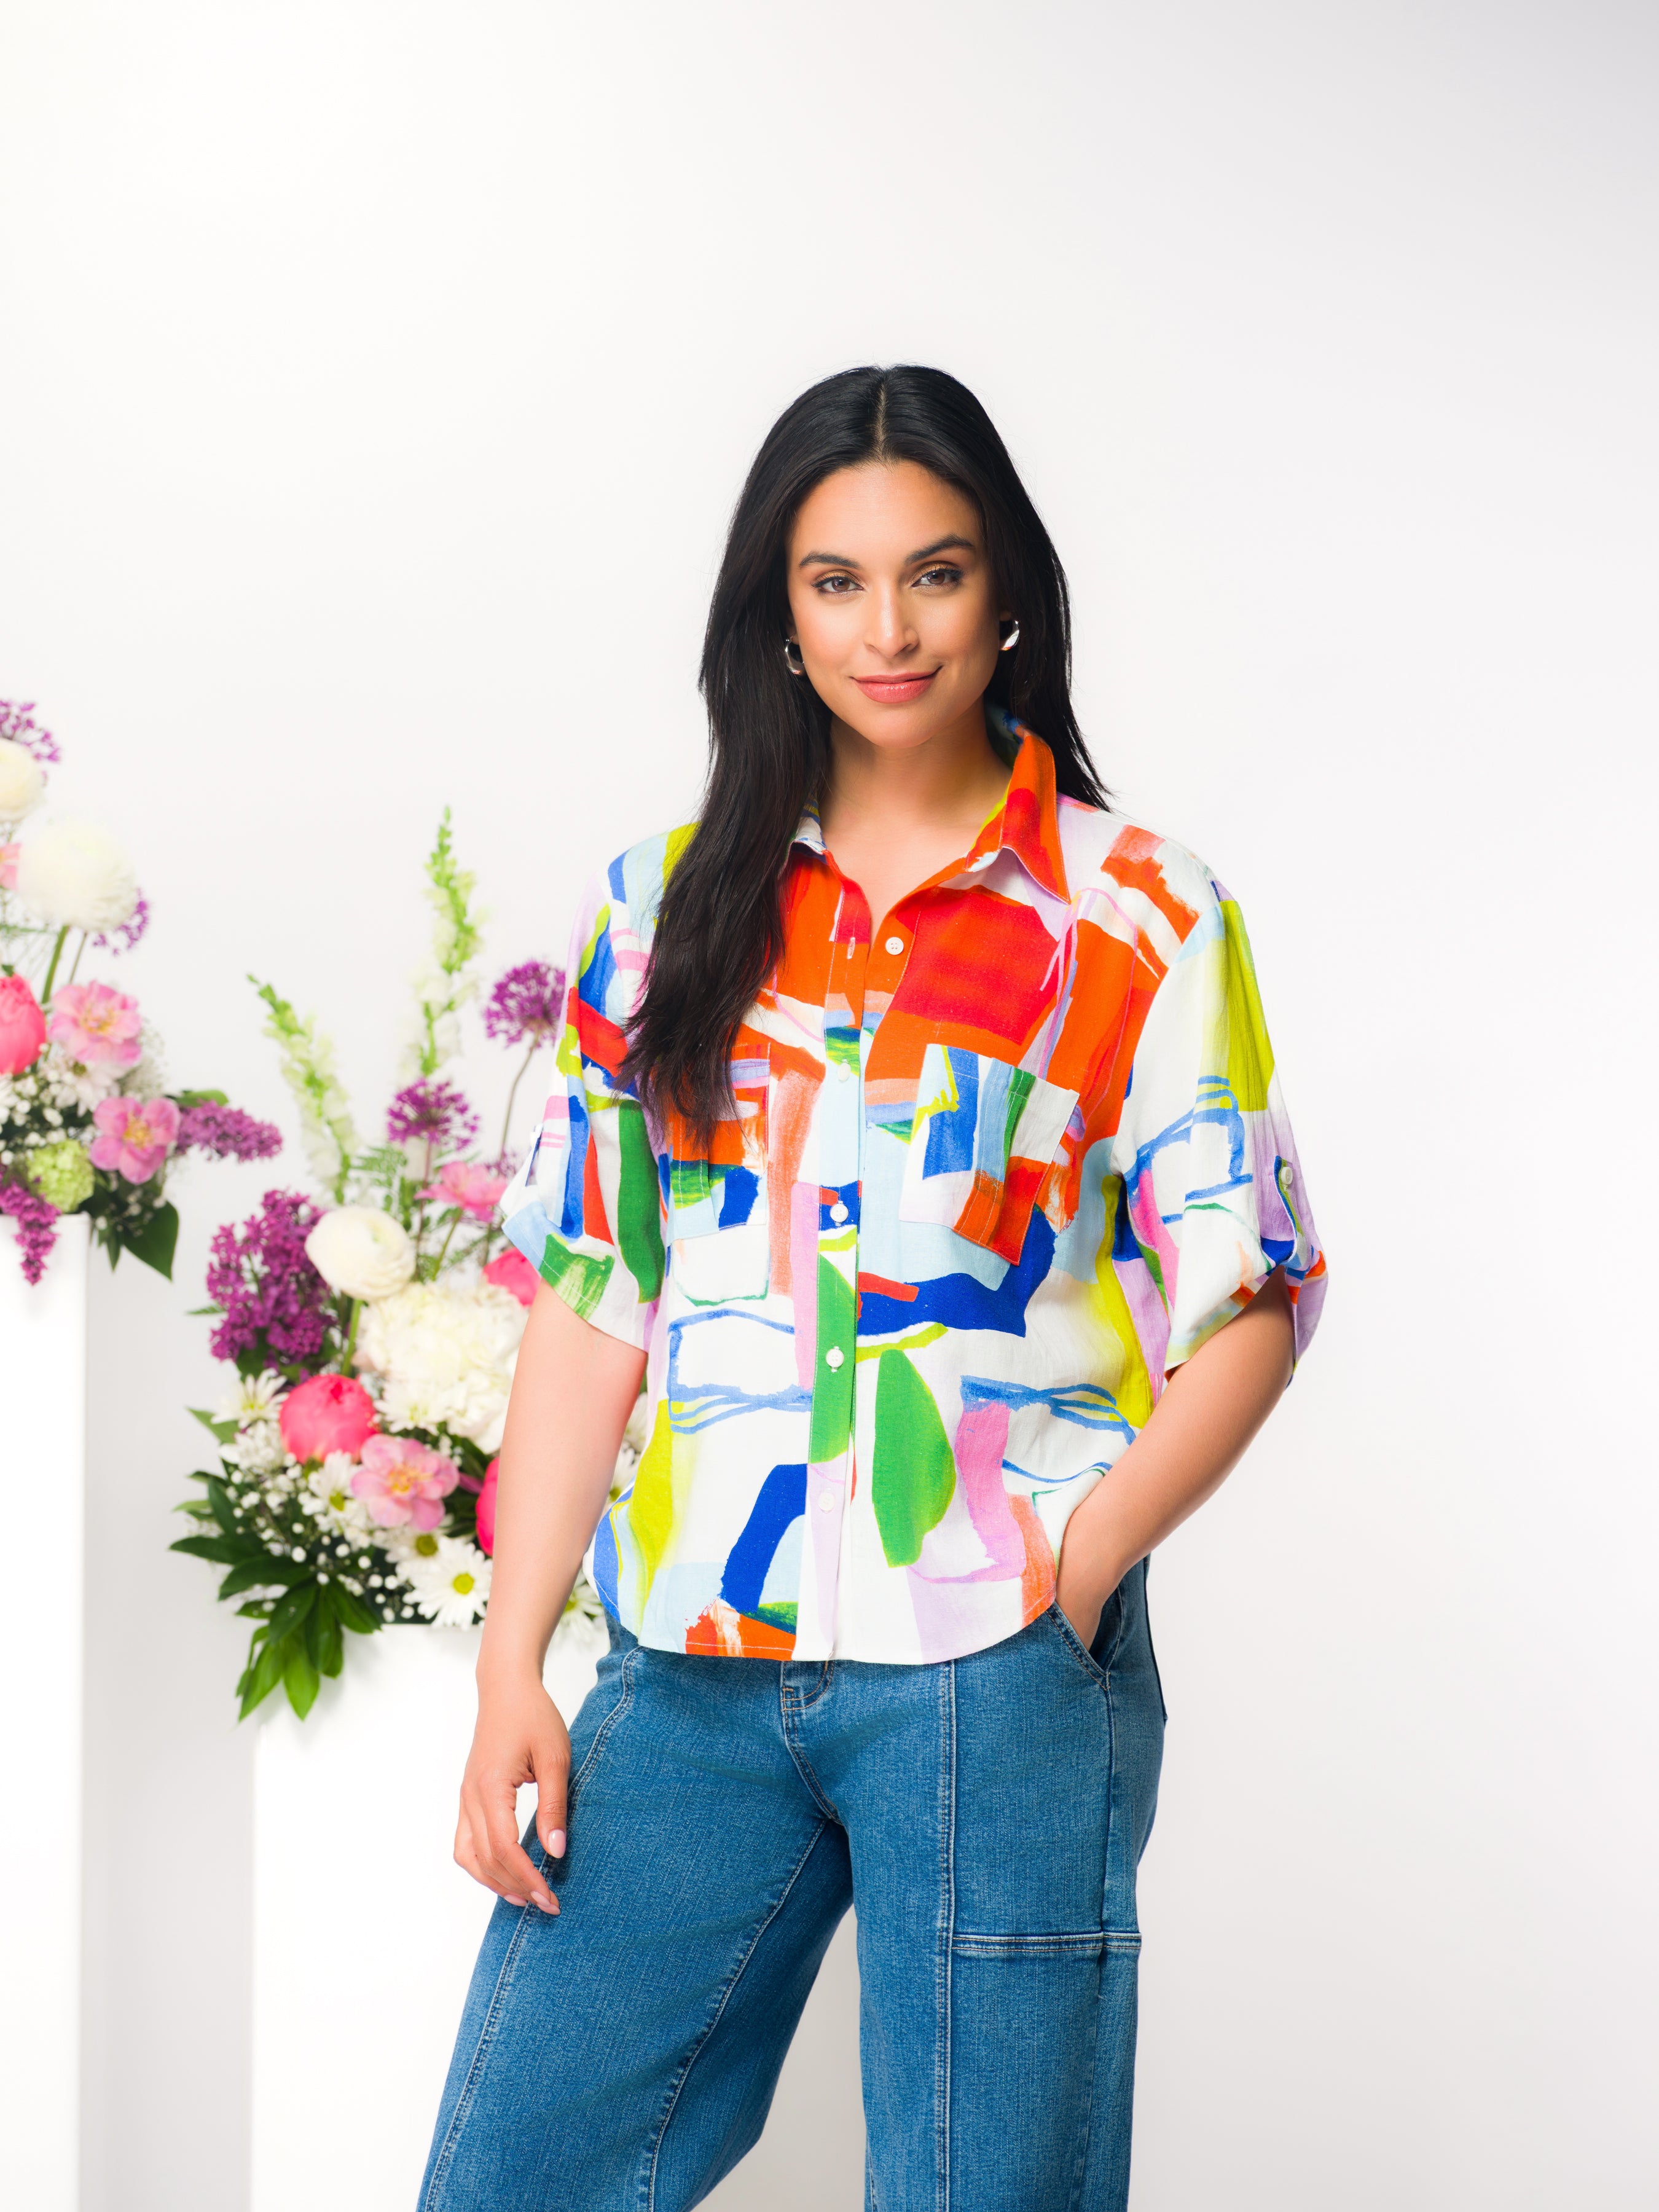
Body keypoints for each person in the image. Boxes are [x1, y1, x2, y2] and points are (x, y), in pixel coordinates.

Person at [418, 364, 1326, 2212]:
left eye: (934, 572)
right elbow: (597, 1299)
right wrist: (515, 1660)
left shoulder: (1137, 909)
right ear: (777, 611)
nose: (886, 626)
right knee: (514, 2179)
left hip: (994, 1665)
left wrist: (1076, 1568)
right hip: (686, 1662)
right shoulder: (664, 912)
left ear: (1007, 599)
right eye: (833, 581)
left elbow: (1252, 1293)